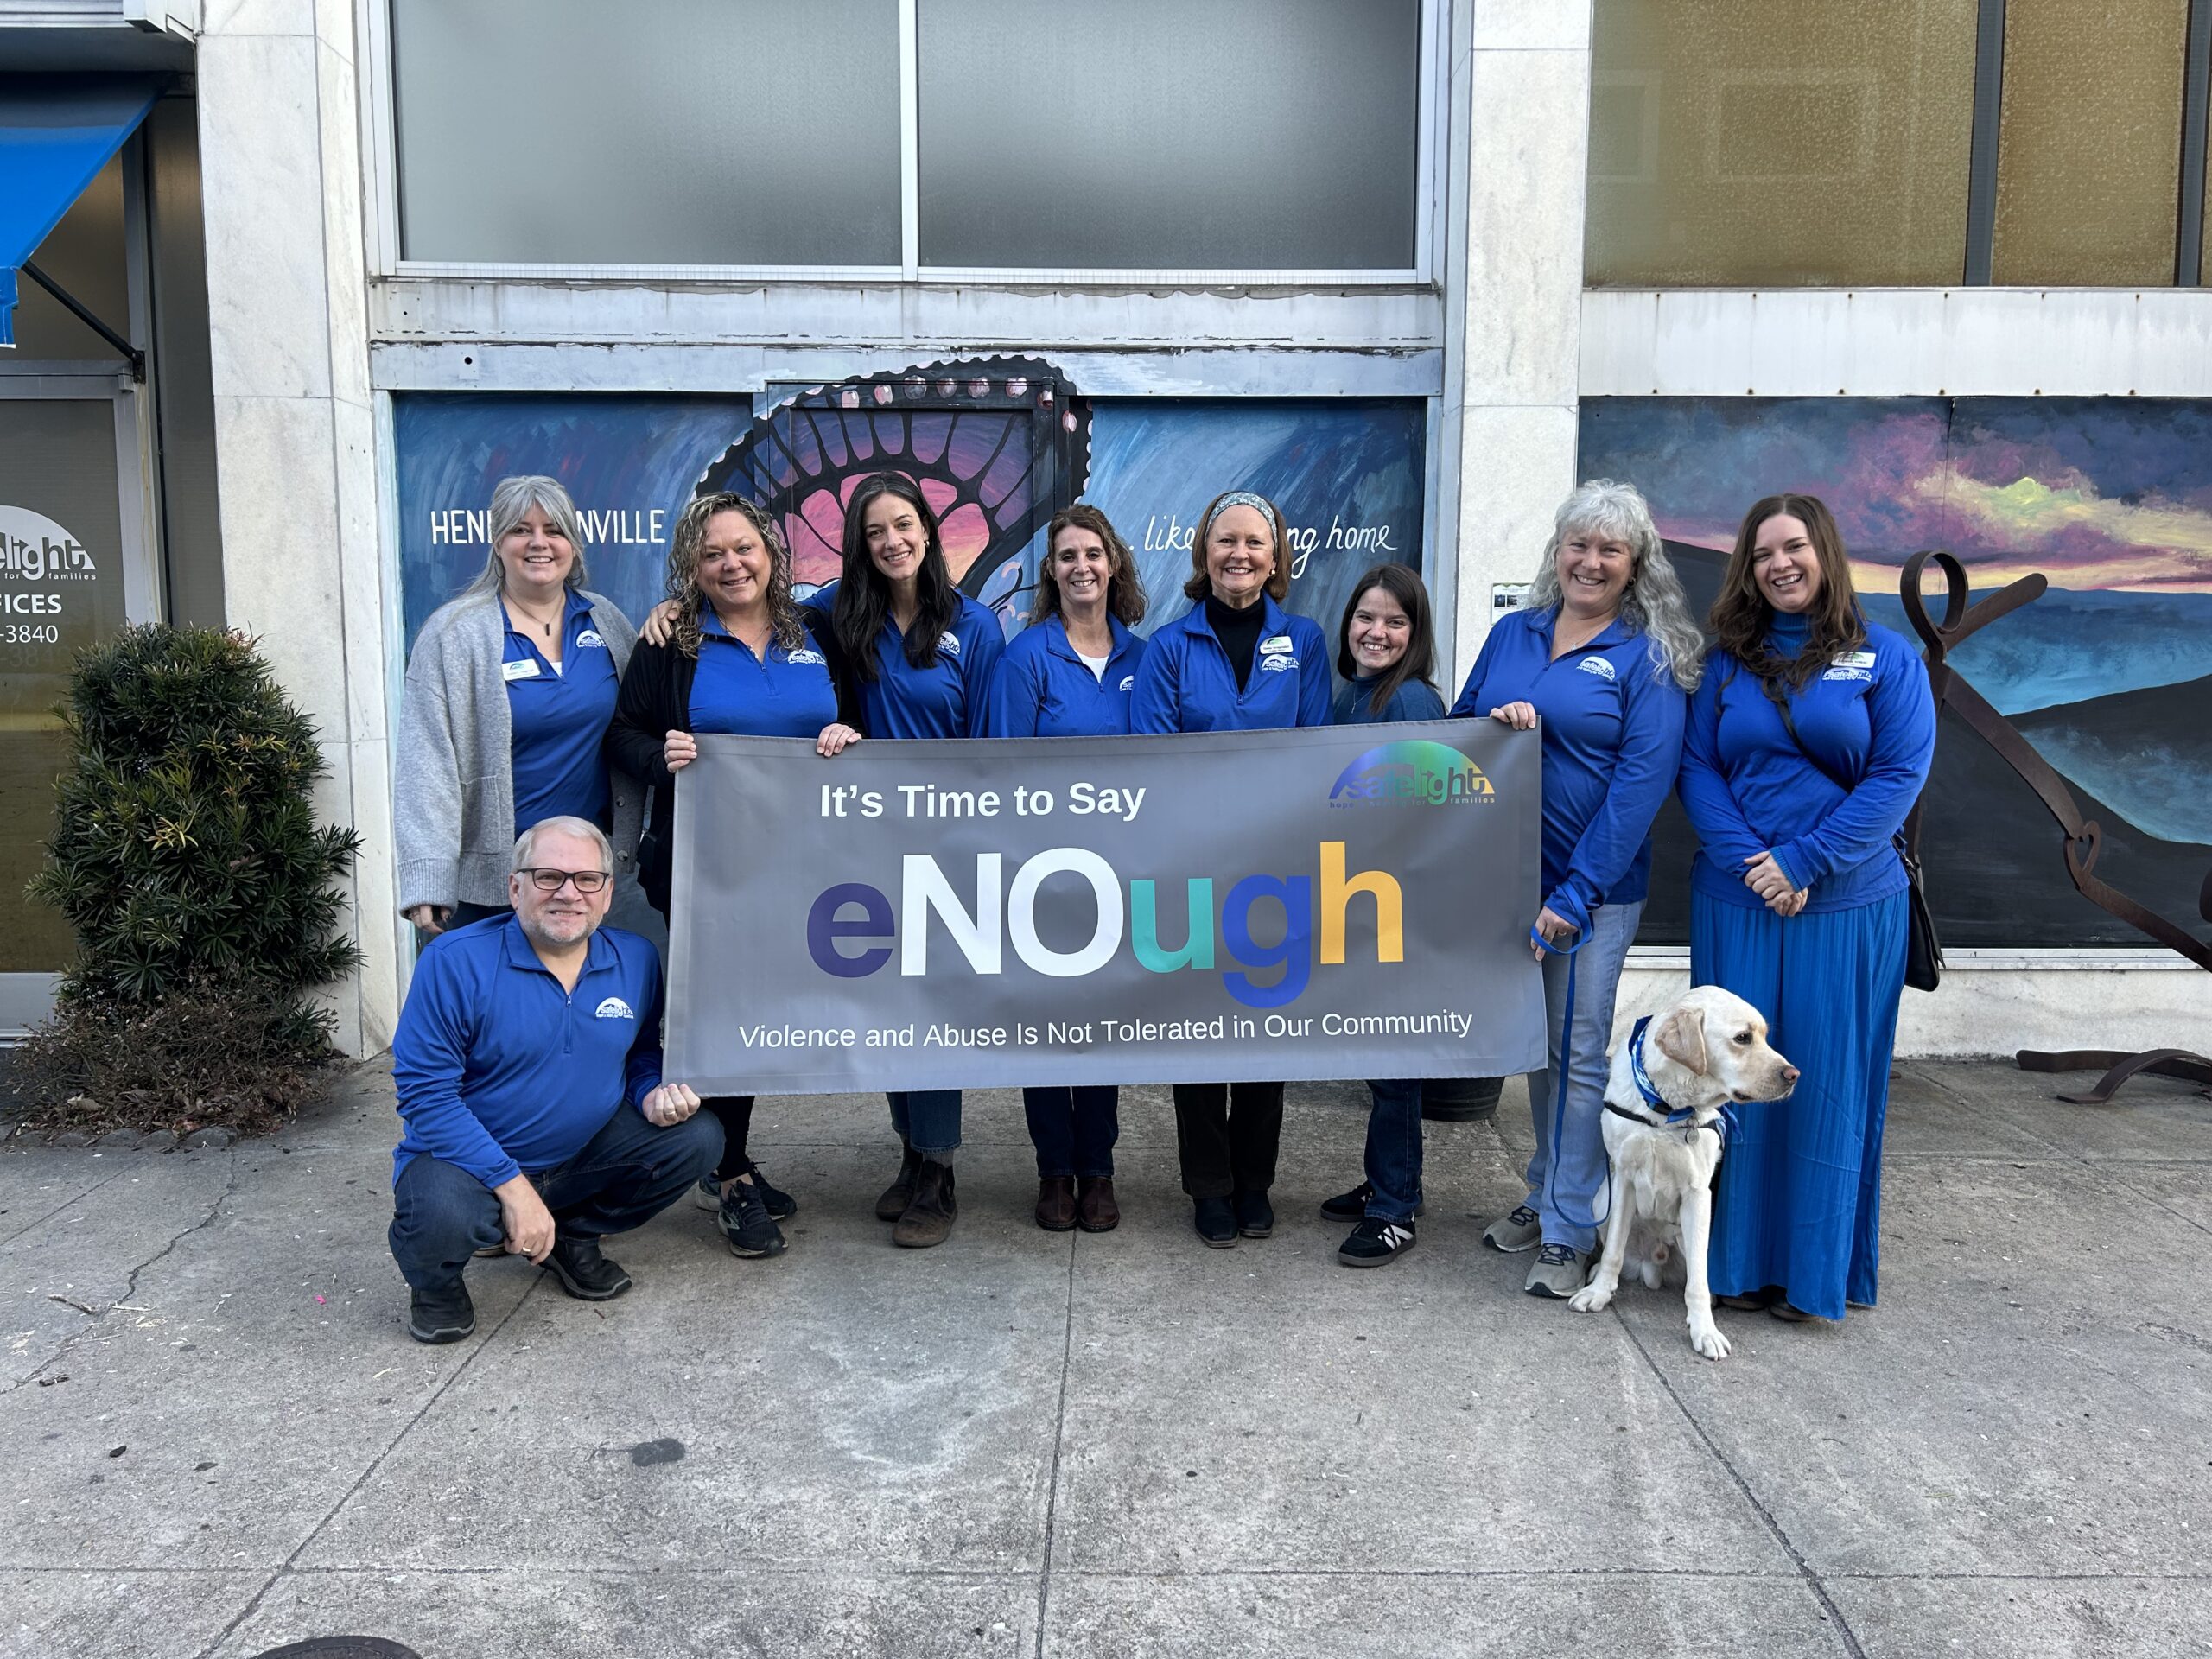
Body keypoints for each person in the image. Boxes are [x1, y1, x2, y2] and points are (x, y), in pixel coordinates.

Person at [1676, 493, 1936, 1324]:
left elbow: (1898, 777)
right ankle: (1734, 1267)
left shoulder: (1886, 658)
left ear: (1825, 551)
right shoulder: (1724, 663)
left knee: (1824, 1084)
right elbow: (1698, 770)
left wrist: (1802, 861)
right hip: (1739, 898)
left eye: (1793, 547)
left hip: (1849, 905)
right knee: (1726, 1083)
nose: (1779, 564)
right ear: (1746, 571)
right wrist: (1754, 865)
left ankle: (1813, 1276)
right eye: (1762, 554)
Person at [1452, 480, 1703, 1298]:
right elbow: (1458, 732)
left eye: (1610, 550)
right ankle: (1546, 1190)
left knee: (1579, 1051)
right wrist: (1499, 725)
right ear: (1556, 552)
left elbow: (1640, 786)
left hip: (1595, 891)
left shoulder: (1650, 655)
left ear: (1636, 566)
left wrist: (1574, 894)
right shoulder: (1514, 633)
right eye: (1578, 546)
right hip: (1503, 879)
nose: (1590, 562)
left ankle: (1569, 1229)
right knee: (1538, 1044)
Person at [607, 493, 862, 1262]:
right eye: (713, 552)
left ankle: (731, 1158)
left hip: (802, 866)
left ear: (772, 554)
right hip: (703, 867)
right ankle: (729, 1176)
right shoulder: (673, 642)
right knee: (723, 1011)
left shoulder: (814, 631)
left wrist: (852, 733)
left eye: (745, 548)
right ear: (693, 564)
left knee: (760, 1011)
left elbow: (859, 715)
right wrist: (661, 759)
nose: (732, 563)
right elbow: (622, 733)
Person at [387, 817, 719, 1344]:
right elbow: (425, 1096)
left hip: (579, 1154)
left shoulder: (635, 958)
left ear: (608, 894)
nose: (569, 893)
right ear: (514, 888)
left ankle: (571, 1235)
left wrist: (650, 1092)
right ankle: (435, 1284)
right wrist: (513, 1188)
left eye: (587, 879)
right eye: (549, 877)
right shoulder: (453, 961)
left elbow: (639, 1054)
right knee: (439, 1214)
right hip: (465, 1162)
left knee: (698, 1138)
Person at [806, 472, 1005, 1248]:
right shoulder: (836, 615)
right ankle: (909, 1155)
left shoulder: (974, 627)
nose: (890, 542)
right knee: (889, 1010)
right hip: (870, 848)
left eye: (902, 525)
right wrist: (672, 613)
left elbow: (990, 751)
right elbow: (748, 607)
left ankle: (940, 1172)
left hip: (950, 850)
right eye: (873, 532)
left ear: (928, 530)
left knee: (936, 1012)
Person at [1130, 488, 1332, 1248]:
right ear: (1202, 555)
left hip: (1276, 869)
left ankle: (1255, 1182)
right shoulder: (1168, 650)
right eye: (1225, 542)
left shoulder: (1304, 641)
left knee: (1264, 1029)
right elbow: (1154, 761)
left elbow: (1314, 749)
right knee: (1199, 1034)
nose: (1238, 554)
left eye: (1254, 542)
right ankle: (1208, 1186)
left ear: (1275, 558)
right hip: (1194, 868)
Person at [982, 504, 1148, 1233]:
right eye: (1067, 556)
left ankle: (1099, 1169)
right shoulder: (1025, 658)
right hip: (1043, 878)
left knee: (1102, 1026)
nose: (1082, 566)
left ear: (1113, 563)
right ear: (1050, 571)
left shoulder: (1147, 658)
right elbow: (1001, 769)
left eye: (1093, 553)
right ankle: (1054, 1169)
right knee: (1047, 1027)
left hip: (1121, 876)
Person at [395, 474, 644, 937]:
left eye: (554, 530)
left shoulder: (605, 620)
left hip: (586, 879)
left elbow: (639, 722)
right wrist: (428, 875)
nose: (538, 543)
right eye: (520, 530)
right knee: (484, 1007)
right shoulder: (454, 633)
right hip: (492, 882)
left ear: (573, 543)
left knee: (581, 1003)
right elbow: (425, 763)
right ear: (497, 543)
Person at [1313, 563, 1448, 1268]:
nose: (1377, 632)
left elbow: (1428, 820)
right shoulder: (1352, 698)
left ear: (1415, 634)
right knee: (1381, 1057)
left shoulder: (1410, 703)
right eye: (1367, 617)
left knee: (1396, 1060)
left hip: (1396, 910)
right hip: (1361, 902)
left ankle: (1395, 1209)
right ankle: (1387, 1183)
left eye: (1396, 622)